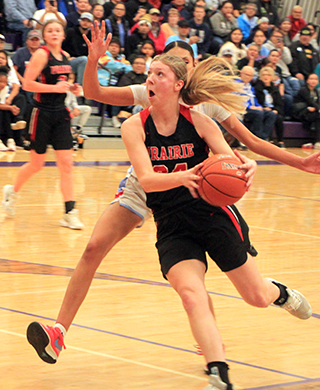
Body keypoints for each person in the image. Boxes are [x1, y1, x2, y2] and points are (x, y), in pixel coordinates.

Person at [26, 23, 320, 383]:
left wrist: (300, 162)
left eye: (174, 65)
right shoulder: (146, 96)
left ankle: (211, 339)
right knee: (93, 248)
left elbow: (252, 145)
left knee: (230, 282)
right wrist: (93, 60)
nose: (157, 74)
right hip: (148, 187)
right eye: (159, 66)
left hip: (199, 193)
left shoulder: (204, 110)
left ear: (187, 74)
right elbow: (93, 90)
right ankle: (59, 332)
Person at [120, 53, 311, 390]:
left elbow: (227, 158)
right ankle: (218, 374)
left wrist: (244, 167)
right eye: (149, 73)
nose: (149, 79)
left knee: (255, 296)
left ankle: (278, 293)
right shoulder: (134, 126)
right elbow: (147, 180)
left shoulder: (199, 121)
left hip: (212, 215)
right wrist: (187, 175)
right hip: (172, 224)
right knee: (192, 295)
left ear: (178, 84)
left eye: (159, 74)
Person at [2, 20, 84, 230]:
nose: (54, 33)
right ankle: (12, 191)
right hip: (41, 113)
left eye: (58, 30)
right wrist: (55, 89)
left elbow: (62, 84)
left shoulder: (65, 57)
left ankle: (69, 212)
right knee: (36, 164)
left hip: (61, 114)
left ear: (63, 35)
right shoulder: (41, 54)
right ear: (45, 36)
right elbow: (27, 84)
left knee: (66, 164)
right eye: (50, 31)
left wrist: (72, 88)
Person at [240, 65, 276, 140]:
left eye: (250, 76)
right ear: (241, 73)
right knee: (258, 113)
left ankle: (263, 137)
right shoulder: (236, 84)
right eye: (246, 74)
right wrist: (250, 107)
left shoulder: (250, 87)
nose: (248, 77)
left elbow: (254, 100)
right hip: (243, 109)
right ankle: (256, 138)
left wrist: (259, 106)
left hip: (253, 108)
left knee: (271, 114)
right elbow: (237, 99)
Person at [254, 66, 285, 147]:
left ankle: (280, 141)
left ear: (272, 77)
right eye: (263, 75)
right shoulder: (257, 88)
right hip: (262, 109)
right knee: (268, 116)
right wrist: (264, 108)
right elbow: (256, 101)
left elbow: (279, 103)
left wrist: (276, 110)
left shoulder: (275, 89)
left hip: (272, 109)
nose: (266, 77)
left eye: (268, 75)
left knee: (278, 117)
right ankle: (265, 138)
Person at [62, 12, 93, 86]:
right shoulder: (70, 32)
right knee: (83, 60)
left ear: (91, 24)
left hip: (86, 62)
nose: (85, 23)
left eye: (88, 21)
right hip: (68, 61)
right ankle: (80, 88)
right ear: (80, 21)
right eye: (83, 20)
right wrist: (66, 56)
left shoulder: (92, 36)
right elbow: (60, 47)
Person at [293, 73, 320, 150]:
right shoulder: (303, 90)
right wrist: (318, 109)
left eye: (315, 79)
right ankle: (317, 141)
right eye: (311, 79)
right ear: (307, 81)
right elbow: (310, 101)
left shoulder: (315, 91)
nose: (313, 81)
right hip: (300, 113)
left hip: (311, 113)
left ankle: (316, 141)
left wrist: (316, 109)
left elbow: (316, 103)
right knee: (317, 116)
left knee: (317, 117)